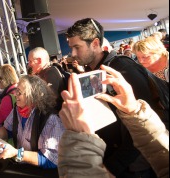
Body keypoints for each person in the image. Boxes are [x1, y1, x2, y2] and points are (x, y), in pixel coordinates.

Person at [65, 18, 159, 177]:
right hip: (111, 159)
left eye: (77, 47)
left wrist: (113, 166)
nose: (73, 54)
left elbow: (145, 122)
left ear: (95, 43)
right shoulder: (91, 72)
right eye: (71, 47)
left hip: (134, 166)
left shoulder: (124, 69)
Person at [58, 65, 169, 178]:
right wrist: (135, 112)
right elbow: (164, 153)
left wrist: (79, 141)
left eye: (77, 47)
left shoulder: (125, 65)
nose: (73, 54)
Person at [0, 75, 65, 178]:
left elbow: (52, 160)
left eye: (19, 92)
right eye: (15, 91)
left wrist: (16, 153)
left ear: (33, 95)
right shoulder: (17, 110)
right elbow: (8, 130)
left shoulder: (51, 120)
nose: (15, 94)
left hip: (42, 171)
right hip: (22, 163)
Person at [28, 47, 66, 111]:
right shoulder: (43, 73)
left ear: (39, 60)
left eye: (30, 61)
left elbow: (50, 100)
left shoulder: (51, 73)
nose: (29, 64)